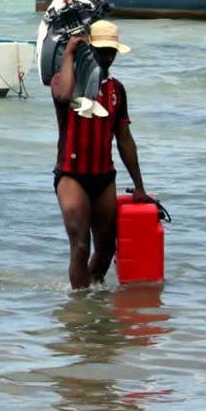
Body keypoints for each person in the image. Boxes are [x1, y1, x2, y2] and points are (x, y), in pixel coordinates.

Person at [50, 19, 148, 290]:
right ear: (88, 48)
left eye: (111, 52)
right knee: (81, 245)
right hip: (72, 177)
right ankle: (79, 313)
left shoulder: (117, 90)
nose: (106, 56)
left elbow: (125, 139)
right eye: (101, 50)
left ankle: (93, 305)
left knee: (106, 249)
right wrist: (70, 53)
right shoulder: (64, 80)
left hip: (104, 176)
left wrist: (139, 185)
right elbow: (65, 94)